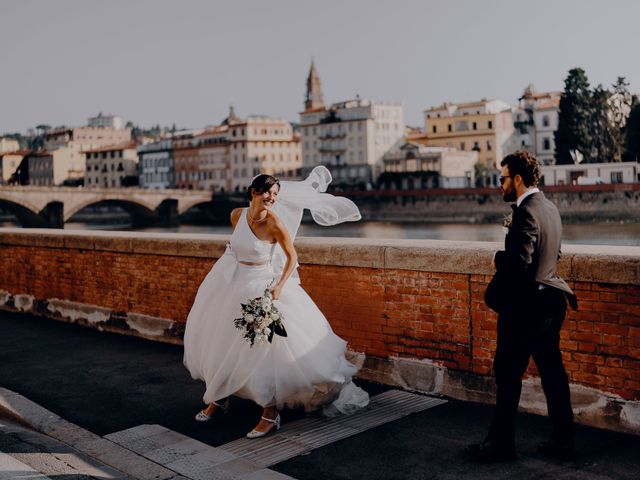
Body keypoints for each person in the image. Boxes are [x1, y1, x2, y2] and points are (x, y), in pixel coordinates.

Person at [183, 167, 369, 438]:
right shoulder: (237, 216)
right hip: (232, 285)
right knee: (222, 343)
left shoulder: (274, 223)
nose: (271, 197)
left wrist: (279, 286)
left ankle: (270, 415)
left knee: (261, 351)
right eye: (267, 192)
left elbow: (292, 258)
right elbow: (234, 246)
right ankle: (218, 397)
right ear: (253, 192)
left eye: (275, 193)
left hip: (262, 287)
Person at [466, 151, 578, 462]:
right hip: (551, 303)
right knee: (553, 375)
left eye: (501, 179)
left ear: (517, 179)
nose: (498, 185)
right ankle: (563, 441)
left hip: (525, 309)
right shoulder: (550, 207)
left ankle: (500, 445)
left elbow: (519, 261)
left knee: (508, 374)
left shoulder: (526, 212)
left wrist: (496, 258)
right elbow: (554, 255)